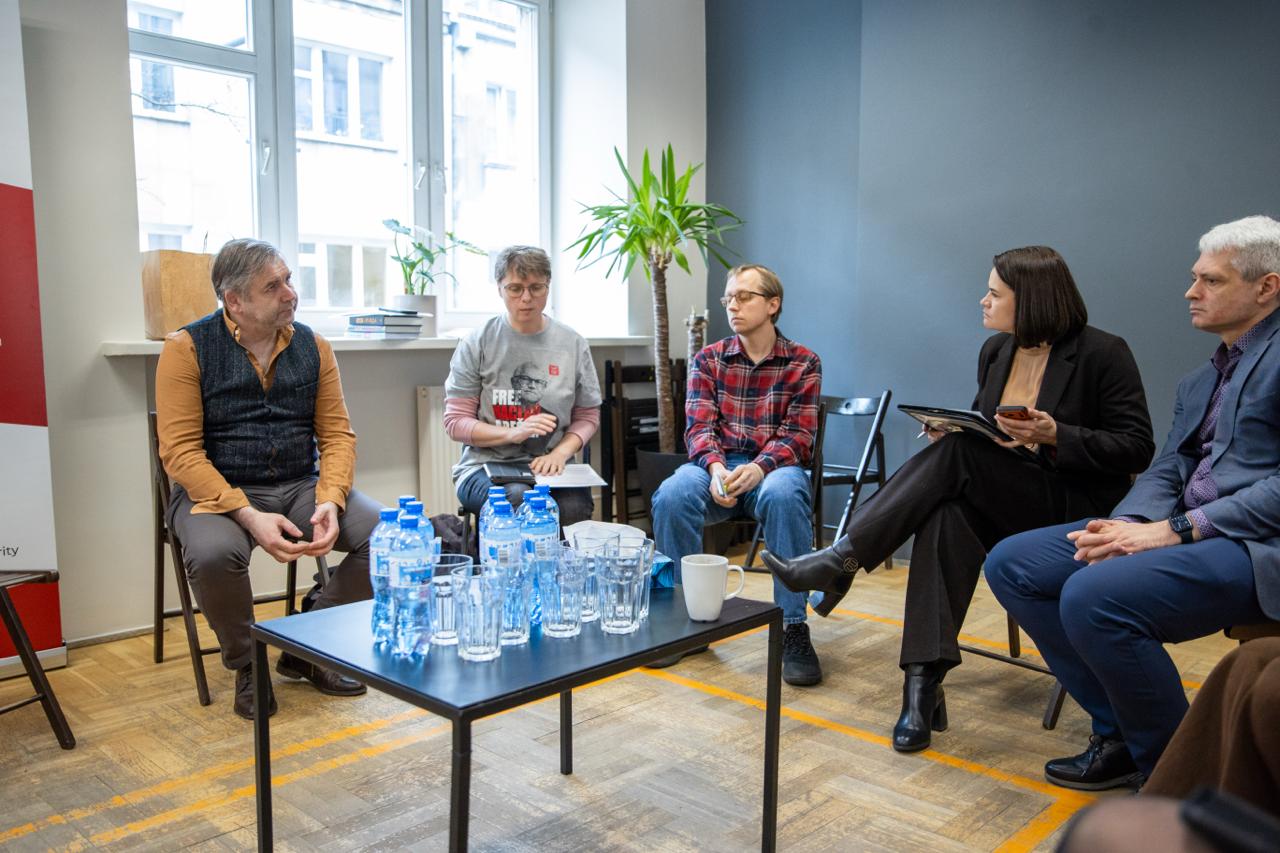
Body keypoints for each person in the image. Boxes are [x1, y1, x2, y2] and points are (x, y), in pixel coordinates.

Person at [764, 246, 1155, 750]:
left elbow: (1137, 447)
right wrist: (953, 431)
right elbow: (986, 433)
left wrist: (1057, 434)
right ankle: (920, 689)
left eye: (994, 293)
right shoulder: (996, 352)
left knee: (958, 460)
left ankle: (843, 559)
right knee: (945, 513)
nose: (983, 301)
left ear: (1031, 300)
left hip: (1069, 507)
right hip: (1005, 499)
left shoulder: (1103, 353)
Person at [983, 215, 1280, 790]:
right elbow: (1169, 465)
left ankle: (1180, 773)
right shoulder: (1202, 379)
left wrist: (1173, 530)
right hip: (1185, 529)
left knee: (1094, 593)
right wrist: (1129, 524)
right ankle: (1121, 732)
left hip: (1255, 545)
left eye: (1211, 281)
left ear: (1267, 287)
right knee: (1013, 563)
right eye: (1194, 277)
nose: (1191, 292)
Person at [157, 238, 379, 720]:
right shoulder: (185, 349)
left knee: (389, 535)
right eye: (272, 286)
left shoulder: (314, 345)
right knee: (213, 555)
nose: (290, 293)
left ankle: (310, 646)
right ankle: (248, 663)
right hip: (216, 492)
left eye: (288, 280)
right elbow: (181, 453)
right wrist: (246, 513)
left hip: (299, 483)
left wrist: (331, 499)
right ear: (234, 300)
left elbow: (337, 435)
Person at [651, 264, 825, 686]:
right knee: (673, 493)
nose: (733, 305)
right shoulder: (708, 360)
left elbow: (799, 435)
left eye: (744, 296)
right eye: (729, 298)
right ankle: (683, 621)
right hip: (717, 466)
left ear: (773, 304)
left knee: (785, 493)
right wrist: (715, 468)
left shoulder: (803, 362)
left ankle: (793, 627)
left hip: (774, 468)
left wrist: (759, 467)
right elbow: (699, 428)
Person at [444, 246, 602, 525]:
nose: (526, 298)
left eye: (536, 288)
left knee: (574, 508)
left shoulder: (573, 343)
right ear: (499, 288)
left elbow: (588, 416)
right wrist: (513, 433)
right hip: (484, 467)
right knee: (517, 498)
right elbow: (455, 423)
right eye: (515, 289)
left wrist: (561, 453)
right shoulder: (478, 342)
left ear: (548, 286)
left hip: (552, 466)